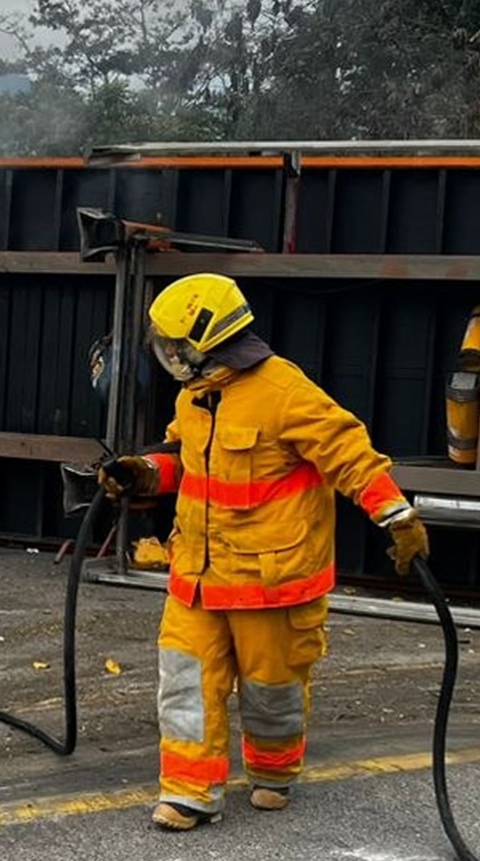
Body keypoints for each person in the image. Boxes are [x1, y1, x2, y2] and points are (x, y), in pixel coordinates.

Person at [98, 272, 430, 831]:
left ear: (203, 343)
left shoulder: (284, 392)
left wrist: (396, 516)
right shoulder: (195, 396)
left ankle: (274, 772)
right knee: (184, 684)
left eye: (174, 345)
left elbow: (350, 455)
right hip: (197, 578)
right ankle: (189, 792)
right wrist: (144, 472)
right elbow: (187, 462)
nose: (168, 355)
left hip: (271, 584)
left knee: (272, 691)